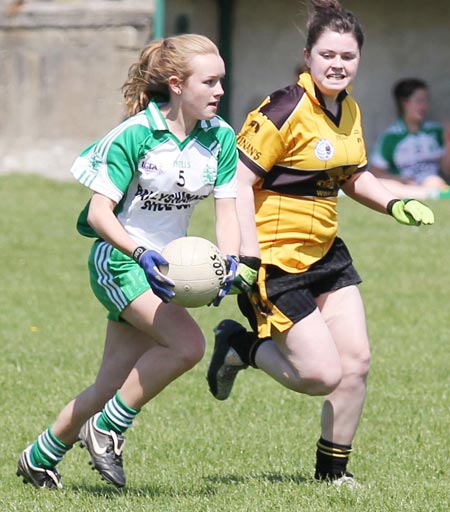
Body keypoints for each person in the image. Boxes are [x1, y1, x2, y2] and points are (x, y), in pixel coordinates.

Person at [206, 0, 435, 487]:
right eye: (327, 54)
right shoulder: (283, 109)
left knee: (357, 363)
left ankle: (332, 474)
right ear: (308, 55)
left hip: (326, 256)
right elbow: (236, 185)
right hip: (273, 262)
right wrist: (242, 258)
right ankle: (239, 345)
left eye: (348, 56)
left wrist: (395, 203)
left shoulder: (348, 108)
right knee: (319, 375)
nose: (337, 64)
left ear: (358, 61)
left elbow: (353, 175)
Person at [16, 33, 241, 490]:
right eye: (210, 81)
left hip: (165, 271)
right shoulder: (136, 135)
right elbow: (100, 214)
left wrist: (228, 262)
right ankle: (107, 428)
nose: (220, 91)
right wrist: (140, 252)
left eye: (222, 81)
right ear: (177, 84)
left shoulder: (219, 138)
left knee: (111, 383)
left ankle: (38, 458)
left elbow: (228, 210)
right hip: (119, 261)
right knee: (188, 346)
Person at [369, 78, 450, 200]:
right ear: (404, 103)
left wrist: (447, 140)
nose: (424, 106)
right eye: (419, 101)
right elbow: (376, 172)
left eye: (425, 101)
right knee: (382, 184)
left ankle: (427, 194)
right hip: (404, 187)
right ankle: (423, 195)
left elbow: (447, 170)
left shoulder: (436, 131)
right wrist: (399, 179)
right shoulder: (391, 137)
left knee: (434, 181)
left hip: (433, 184)